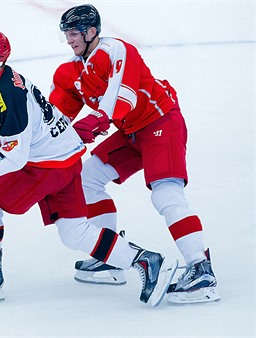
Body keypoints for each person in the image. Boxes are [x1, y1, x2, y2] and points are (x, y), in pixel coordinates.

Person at [0, 28, 177, 306]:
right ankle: (147, 261)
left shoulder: (9, 93)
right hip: (66, 160)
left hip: (46, 166)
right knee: (74, 232)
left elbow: (16, 154)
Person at [49, 4, 219, 304]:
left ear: (91, 32)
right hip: (131, 134)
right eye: (66, 34)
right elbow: (54, 118)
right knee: (88, 176)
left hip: (161, 124)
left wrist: (99, 119)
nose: (69, 40)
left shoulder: (116, 50)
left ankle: (201, 270)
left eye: (74, 33)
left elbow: (122, 96)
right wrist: (19, 135)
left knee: (166, 195)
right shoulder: (72, 71)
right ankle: (110, 256)